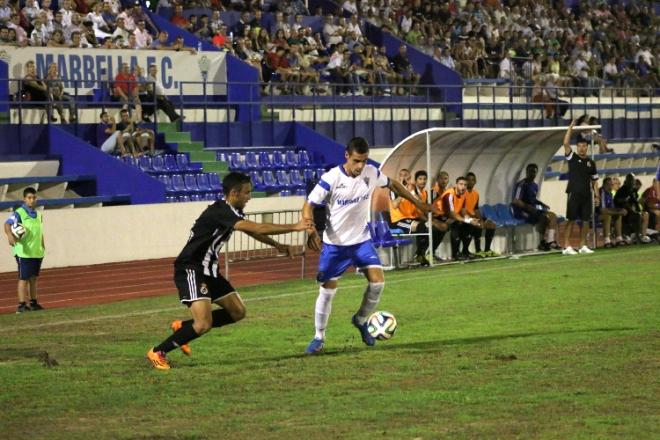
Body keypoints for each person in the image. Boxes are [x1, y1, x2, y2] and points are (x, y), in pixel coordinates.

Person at [147, 172, 314, 369]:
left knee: (237, 312)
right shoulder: (220, 211)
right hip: (191, 268)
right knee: (203, 324)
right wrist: (295, 226)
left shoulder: (232, 212)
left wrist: (277, 245)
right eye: (247, 193)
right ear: (234, 193)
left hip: (209, 271)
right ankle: (158, 352)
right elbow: (259, 228)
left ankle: (183, 328)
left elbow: (252, 231)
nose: (249, 197)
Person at [303, 137, 430, 354]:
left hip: (361, 241)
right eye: (356, 161)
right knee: (327, 292)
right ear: (347, 156)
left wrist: (417, 202)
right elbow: (309, 205)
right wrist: (311, 230)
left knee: (378, 283)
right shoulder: (331, 178)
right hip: (335, 246)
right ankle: (319, 337)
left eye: (363, 161)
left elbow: (393, 184)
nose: (360, 166)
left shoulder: (371, 172)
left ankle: (361, 320)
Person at [389, 169, 446, 266]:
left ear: (409, 178)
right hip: (399, 221)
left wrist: (431, 219)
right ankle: (420, 255)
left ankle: (424, 253)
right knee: (423, 227)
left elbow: (419, 205)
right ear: (398, 177)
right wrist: (403, 193)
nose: (403, 177)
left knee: (437, 227)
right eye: (401, 175)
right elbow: (394, 205)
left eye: (406, 175)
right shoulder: (394, 189)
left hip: (412, 219)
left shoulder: (414, 191)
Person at [3, 187, 46, 313]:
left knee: (33, 278)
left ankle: (33, 303)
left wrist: (43, 245)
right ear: (24, 199)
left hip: (36, 252)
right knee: (24, 278)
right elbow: (7, 224)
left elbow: (40, 232)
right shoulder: (19, 213)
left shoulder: (39, 215)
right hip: (24, 252)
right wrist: (10, 236)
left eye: (34, 198)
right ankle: (22, 305)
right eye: (29, 198)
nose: (32, 200)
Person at [561, 118, 600, 255]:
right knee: (571, 220)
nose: (582, 148)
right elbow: (565, 143)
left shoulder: (591, 163)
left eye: (584, 146)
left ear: (587, 147)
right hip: (573, 193)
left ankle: (583, 245)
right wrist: (571, 127)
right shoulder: (572, 158)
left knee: (585, 221)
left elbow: (595, 181)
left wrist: (596, 195)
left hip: (586, 195)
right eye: (580, 146)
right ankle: (566, 246)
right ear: (577, 147)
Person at [512, 163, 560, 251]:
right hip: (522, 211)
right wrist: (528, 207)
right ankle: (541, 242)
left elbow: (533, 199)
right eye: (530, 171)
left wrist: (541, 204)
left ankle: (550, 241)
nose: (532, 174)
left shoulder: (535, 185)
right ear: (526, 172)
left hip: (533, 211)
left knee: (552, 215)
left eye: (534, 172)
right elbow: (516, 201)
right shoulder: (521, 184)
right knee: (543, 217)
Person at [437, 176, 480, 260]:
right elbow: (452, 213)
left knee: (470, 225)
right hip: (440, 217)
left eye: (465, 185)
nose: (463, 187)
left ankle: (465, 251)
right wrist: (467, 220)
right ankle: (455, 253)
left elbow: (463, 211)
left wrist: (470, 219)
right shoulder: (449, 194)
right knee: (457, 223)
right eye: (461, 184)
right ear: (456, 184)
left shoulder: (463, 195)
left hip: (452, 217)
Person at [464, 172, 498, 257]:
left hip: (473, 215)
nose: (470, 182)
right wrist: (477, 220)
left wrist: (482, 220)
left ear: (475, 181)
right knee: (478, 224)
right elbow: (463, 210)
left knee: (492, 224)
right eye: (468, 180)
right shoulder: (463, 193)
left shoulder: (476, 194)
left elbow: (475, 209)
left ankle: (487, 250)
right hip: (466, 217)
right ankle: (478, 250)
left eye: (472, 180)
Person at [614, 174, 652, 243]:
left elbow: (635, 202)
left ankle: (643, 236)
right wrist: (633, 211)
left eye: (633, 180)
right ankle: (637, 236)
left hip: (632, 212)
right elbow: (620, 202)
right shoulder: (621, 190)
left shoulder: (634, 191)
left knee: (645, 214)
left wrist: (639, 211)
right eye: (631, 180)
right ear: (627, 181)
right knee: (637, 215)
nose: (632, 182)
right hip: (625, 213)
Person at [597, 177, 627, 247]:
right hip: (595, 215)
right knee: (607, 215)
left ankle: (619, 239)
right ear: (604, 184)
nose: (611, 187)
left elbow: (612, 208)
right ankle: (607, 241)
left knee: (618, 215)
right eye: (609, 185)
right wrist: (618, 212)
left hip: (603, 213)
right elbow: (602, 210)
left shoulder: (609, 194)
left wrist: (620, 211)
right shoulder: (601, 192)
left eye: (612, 185)